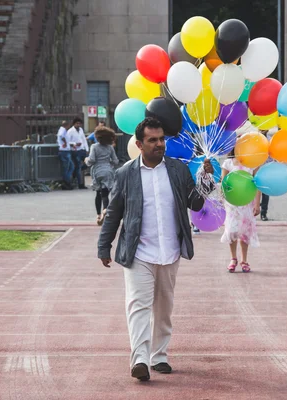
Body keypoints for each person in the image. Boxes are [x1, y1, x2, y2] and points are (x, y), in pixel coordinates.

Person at [97, 117, 214, 382]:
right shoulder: (125, 173)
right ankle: (139, 359)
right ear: (139, 144)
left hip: (170, 250)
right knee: (138, 305)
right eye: (153, 140)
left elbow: (195, 204)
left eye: (161, 139)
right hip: (138, 251)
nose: (160, 144)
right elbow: (114, 212)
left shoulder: (177, 169)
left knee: (164, 307)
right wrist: (104, 245)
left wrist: (206, 179)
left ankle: (159, 356)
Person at [221, 149, 261, 273]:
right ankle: (233, 258)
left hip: (247, 203)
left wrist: (257, 203)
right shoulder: (228, 163)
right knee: (231, 230)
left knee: (245, 231)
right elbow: (224, 184)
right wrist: (222, 200)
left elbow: (257, 184)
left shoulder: (252, 164)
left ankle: (244, 260)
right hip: (232, 203)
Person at [85, 126, 119, 226]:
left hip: (97, 172)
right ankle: (105, 210)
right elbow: (116, 161)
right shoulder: (110, 148)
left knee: (97, 193)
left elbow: (91, 160)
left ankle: (98, 215)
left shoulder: (94, 147)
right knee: (105, 193)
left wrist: (86, 160)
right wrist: (109, 165)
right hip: (108, 171)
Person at [67, 117, 88, 189]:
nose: (78, 125)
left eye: (79, 123)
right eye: (77, 123)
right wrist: (75, 144)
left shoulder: (81, 130)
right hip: (75, 151)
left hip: (82, 149)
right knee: (78, 167)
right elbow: (67, 142)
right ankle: (80, 184)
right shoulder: (70, 131)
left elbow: (83, 139)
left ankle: (75, 175)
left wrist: (86, 148)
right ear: (74, 124)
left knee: (87, 164)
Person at [57, 120, 74, 190]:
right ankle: (66, 182)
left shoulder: (63, 130)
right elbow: (61, 136)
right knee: (67, 168)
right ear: (67, 125)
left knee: (71, 167)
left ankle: (67, 180)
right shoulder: (63, 130)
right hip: (64, 151)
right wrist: (65, 143)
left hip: (65, 151)